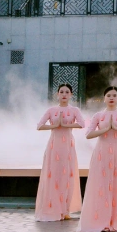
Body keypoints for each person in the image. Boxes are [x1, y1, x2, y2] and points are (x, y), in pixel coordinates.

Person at [79, 85, 117, 232]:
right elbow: (88, 134)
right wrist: (105, 129)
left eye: (114, 95)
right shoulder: (98, 116)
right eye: (108, 95)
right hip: (101, 154)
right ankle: (100, 219)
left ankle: (114, 219)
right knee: (101, 185)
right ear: (104, 98)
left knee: (116, 184)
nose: (111, 98)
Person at [35, 83, 85, 221]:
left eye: (67, 92)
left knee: (67, 176)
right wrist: (55, 125)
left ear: (71, 95)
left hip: (67, 146)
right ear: (57, 94)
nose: (64, 94)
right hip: (54, 146)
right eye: (61, 92)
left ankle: (65, 210)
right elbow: (39, 126)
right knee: (53, 175)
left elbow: (82, 124)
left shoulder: (74, 110)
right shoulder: (51, 110)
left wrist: (66, 125)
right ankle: (52, 208)